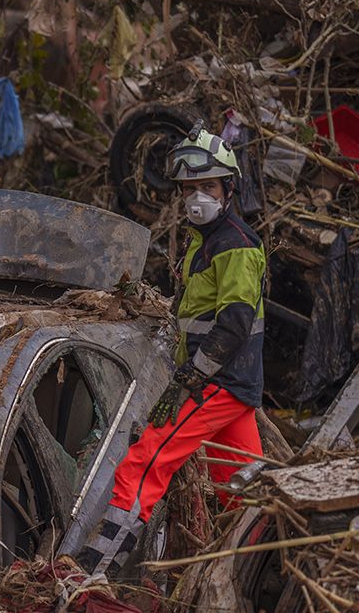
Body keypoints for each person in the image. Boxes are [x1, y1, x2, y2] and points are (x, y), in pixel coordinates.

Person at [82, 129, 266, 578]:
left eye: (208, 187)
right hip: (231, 385)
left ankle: (93, 573)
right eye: (189, 190)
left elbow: (235, 324)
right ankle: (265, 570)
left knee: (146, 462)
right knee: (246, 491)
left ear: (229, 189)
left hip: (216, 382)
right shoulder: (204, 242)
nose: (197, 197)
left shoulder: (236, 244)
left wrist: (188, 379)